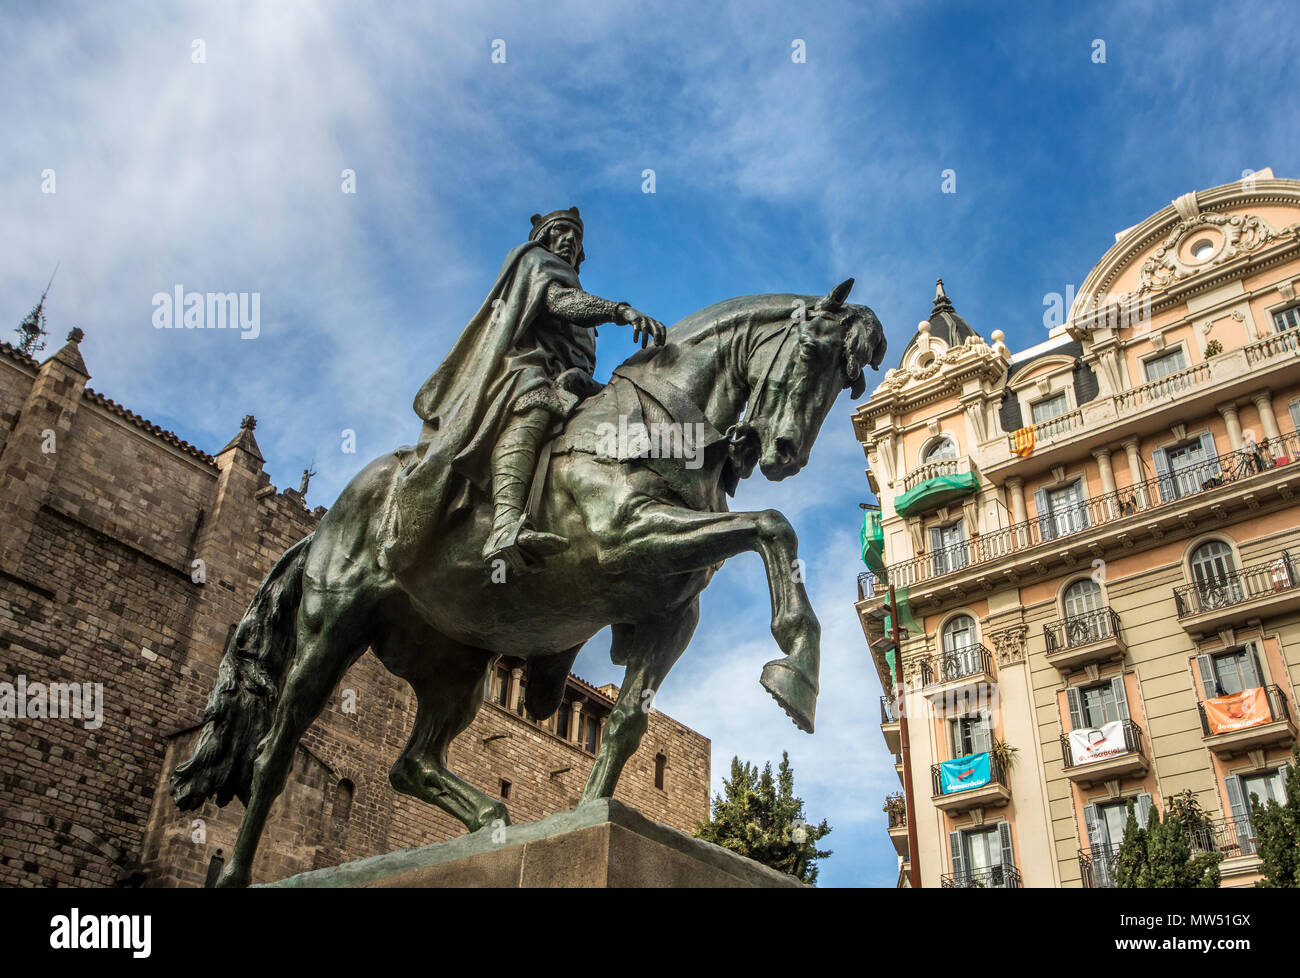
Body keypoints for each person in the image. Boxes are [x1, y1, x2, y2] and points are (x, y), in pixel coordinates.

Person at [380, 207, 666, 574]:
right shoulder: (537, 263)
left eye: (575, 237)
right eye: (560, 232)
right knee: (536, 403)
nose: (568, 240)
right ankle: (504, 527)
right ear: (544, 237)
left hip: (564, 380)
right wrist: (619, 311)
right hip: (521, 367)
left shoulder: (572, 288)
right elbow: (558, 302)